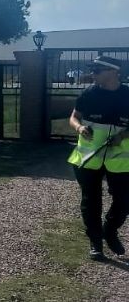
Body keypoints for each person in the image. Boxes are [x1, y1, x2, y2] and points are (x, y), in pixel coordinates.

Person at [68, 55, 129, 261]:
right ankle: (95, 242)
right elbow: (74, 116)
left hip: (120, 159)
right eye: (92, 70)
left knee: (124, 201)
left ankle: (109, 230)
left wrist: (122, 135)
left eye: (97, 71)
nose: (92, 74)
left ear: (113, 72)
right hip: (89, 158)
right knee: (91, 201)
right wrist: (79, 127)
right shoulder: (88, 94)